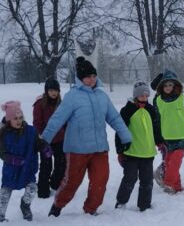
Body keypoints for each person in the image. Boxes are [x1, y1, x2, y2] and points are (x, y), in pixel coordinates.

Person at [40, 57, 131, 217]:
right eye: (88, 77)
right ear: (81, 78)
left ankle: (91, 208)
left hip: (99, 148)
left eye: (94, 76)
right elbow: (57, 119)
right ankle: (57, 206)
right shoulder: (72, 96)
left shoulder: (102, 96)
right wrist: (44, 140)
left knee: (100, 181)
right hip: (77, 150)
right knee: (72, 183)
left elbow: (114, 118)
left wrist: (126, 137)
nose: (92, 79)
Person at [115, 81, 163, 212]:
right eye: (141, 95)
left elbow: (156, 128)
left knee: (147, 180)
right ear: (135, 96)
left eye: (146, 96)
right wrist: (120, 150)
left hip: (147, 152)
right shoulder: (127, 110)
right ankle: (121, 201)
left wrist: (160, 142)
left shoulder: (151, 110)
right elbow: (120, 131)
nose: (144, 98)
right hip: (131, 152)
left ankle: (144, 204)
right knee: (130, 178)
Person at [0, 101, 40, 222]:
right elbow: (2, 153)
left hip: (27, 167)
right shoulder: (3, 134)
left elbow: (38, 143)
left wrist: (45, 148)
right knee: (5, 191)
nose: (19, 120)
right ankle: (0, 214)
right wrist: (11, 159)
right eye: (15, 118)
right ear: (9, 120)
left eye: (20, 117)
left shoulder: (30, 131)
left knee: (32, 188)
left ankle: (25, 205)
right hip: (11, 169)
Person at [32, 77, 66, 199]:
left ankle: (55, 184)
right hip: (45, 141)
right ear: (46, 91)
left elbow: (65, 121)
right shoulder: (40, 104)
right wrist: (40, 137)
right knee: (46, 166)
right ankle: (43, 190)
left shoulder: (61, 104)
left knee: (61, 164)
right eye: (51, 90)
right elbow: (37, 123)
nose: (53, 93)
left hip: (60, 139)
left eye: (56, 90)